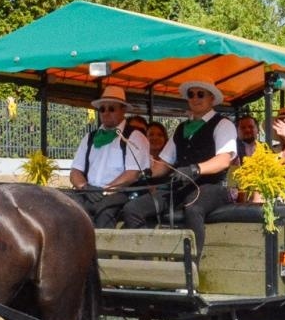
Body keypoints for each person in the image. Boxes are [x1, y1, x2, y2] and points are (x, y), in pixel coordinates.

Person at [121, 80, 238, 254]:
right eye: (191, 94)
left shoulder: (223, 124)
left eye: (201, 94)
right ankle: (146, 265)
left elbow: (223, 160)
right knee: (132, 209)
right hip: (180, 186)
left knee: (193, 208)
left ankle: (192, 269)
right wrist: (144, 173)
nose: (195, 98)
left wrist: (195, 169)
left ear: (212, 98)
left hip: (211, 187)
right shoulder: (181, 128)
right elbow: (164, 164)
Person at [68, 84, 151, 228]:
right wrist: (84, 186)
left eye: (111, 109)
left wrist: (105, 190)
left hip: (120, 193)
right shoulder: (90, 137)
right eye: (102, 109)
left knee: (104, 211)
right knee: (65, 207)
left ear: (123, 110)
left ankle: (103, 250)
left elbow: (132, 174)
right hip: (89, 191)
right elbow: (75, 172)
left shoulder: (134, 136)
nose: (106, 113)